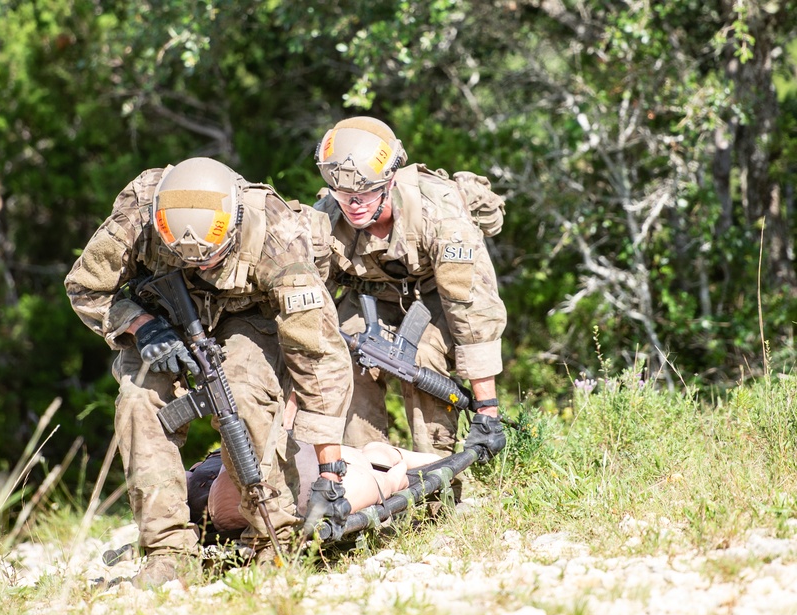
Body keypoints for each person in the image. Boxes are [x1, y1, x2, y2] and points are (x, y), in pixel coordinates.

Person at [65, 157, 353, 588]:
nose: (200, 266)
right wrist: (141, 326)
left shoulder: (278, 238)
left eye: (211, 258)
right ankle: (167, 552)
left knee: (242, 393)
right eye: (186, 259)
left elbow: (318, 357)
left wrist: (331, 474)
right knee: (137, 400)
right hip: (164, 321)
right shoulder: (137, 218)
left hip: (251, 316)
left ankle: (273, 541)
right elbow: (85, 286)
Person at [313, 116, 508, 467]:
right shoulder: (325, 221)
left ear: (388, 184)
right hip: (370, 298)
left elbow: (472, 310)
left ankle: (439, 477)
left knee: (423, 358)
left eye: (365, 194)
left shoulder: (439, 213)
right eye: (343, 195)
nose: (353, 204)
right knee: (345, 358)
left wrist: (487, 410)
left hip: (436, 297)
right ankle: (370, 475)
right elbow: (308, 306)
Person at [191, 441, 442, 534]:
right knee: (387, 466)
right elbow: (395, 478)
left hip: (214, 481)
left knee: (382, 462)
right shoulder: (356, 477)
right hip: (315, 484)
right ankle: (440, 459)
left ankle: (435, 459)